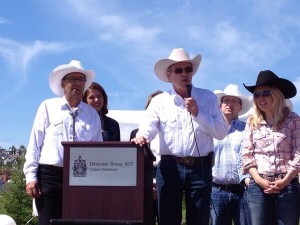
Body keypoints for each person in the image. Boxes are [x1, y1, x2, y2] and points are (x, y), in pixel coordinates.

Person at [132, 48, 228, 225]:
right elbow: (149, 125)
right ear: (169, 75)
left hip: (201, 167)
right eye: (179, 70)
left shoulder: (208, 97)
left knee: (199, 220)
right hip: (170, 167)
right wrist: (143, 136)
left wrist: (198, 113)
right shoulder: (159, 101)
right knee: (168, 219)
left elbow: (221, 132)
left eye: (188, 69)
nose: (185, 74)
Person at [23, 60, 103, 225]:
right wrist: (30, 176)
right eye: (72, 79)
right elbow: (35, 143)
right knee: (48, 221)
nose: (77, 83)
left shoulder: (92, 114)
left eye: (81, 80)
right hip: (50, 175)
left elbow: (98, 150)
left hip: (81, 176)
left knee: (78, 221)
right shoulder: (47, 107)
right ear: (62, 83)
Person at [242, 70, 300, 225]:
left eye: (265, 93)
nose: (260, 98)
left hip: (287, 186)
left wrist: (286, 180)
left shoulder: (293, 120)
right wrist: (259, 180)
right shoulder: (251, 122)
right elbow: (247, 156)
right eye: (257, 94)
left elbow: (298, 153)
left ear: (276, 94)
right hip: (258, 186)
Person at [211, 84, 252, 225]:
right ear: (220, 105)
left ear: (240, 107)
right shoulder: (211, 129)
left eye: (235, 101)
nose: (230, 104)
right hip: (216, 190)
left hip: (243, 190)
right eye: (226, 100)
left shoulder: (248, 129)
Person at [130, 90, 163, 225]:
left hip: (166, 178)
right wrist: (147, 185)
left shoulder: (174, 135)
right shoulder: (137, 133)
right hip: (144, 179)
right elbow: (133, 163)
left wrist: (158, 186)